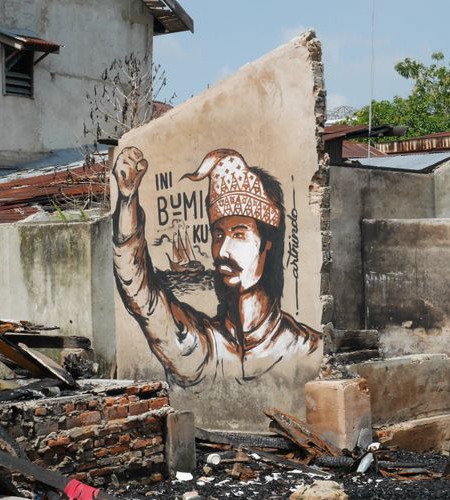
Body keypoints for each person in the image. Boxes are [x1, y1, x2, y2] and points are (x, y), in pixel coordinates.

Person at [112, 146, 320, 387]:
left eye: (239, 234)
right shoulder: (202, 348)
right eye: (218, 235)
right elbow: (142, 298)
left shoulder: (306, 350)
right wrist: (128, 199)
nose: (222, 251)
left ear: (267, 245)